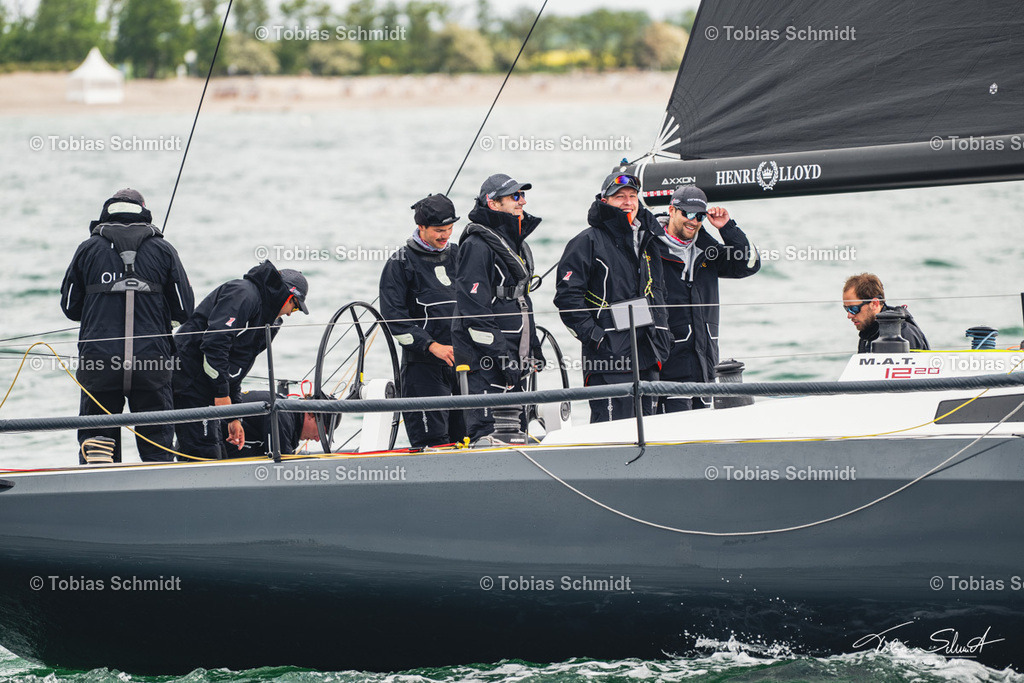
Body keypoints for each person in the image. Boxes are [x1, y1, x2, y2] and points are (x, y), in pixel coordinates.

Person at [60, 188, 194, 463]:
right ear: (143, 209)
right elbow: (185, 309)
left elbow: (70, 307)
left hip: (99, 363)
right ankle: (158, 480)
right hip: (151, 364)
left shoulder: (88, 248)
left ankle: (100, 479)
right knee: (158, 451)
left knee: (98, 452)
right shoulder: (163, 248)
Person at [554, 173, 671, 422]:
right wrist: (597, 338)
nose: (628, 202)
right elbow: (567, 299)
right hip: (607, 360)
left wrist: (662, 334)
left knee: (650, 431)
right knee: (613, 433)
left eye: (632, 196)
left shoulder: (648, 238)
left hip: (648, 354)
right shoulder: (585, 241)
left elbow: (659, 291)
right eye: (620, 197)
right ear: (604, 201)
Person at [172, 261, 309, 460]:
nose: (289, 313)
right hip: (188, 382)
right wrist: (222, 394)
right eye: (294, 308)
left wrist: (234, 415)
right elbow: (214, 344)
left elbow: (238, 366)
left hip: (209, 388)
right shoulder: (244, 293)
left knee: (217, 455)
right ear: (288, 296)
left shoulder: (269, 321)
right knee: (205, 455)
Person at [451, 173, 543, 441]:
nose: (522, 201)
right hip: (487, 363)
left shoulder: (513, 242)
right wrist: (504, 358)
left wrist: (533, 348)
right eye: (514, 196)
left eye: (522, 195)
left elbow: (520, 301)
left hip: (514, 358)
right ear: (493, 203)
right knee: (487, 435)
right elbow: (474, 313)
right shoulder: (476, 246)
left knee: (518, 432)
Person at [654, 185, 760, 412]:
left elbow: (748, 264)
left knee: (702, 431)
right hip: (667, 369)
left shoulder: (708, 251)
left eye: (700, 216)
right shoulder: (649, 248)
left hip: (705, 367)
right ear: (672, 210)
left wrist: (727, 228)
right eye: (688, 213)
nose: (694, 221)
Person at [379, 194, 465, 448]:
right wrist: (431, 346)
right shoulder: (399, 263)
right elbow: (395, 321)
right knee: (433, 443)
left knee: (469, 439)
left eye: (449, 229)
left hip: (462, 364)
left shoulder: (459, 254)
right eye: (439, 230)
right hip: (423, 368)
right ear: (421, 227)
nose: (445, 235)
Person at [843, 273, 929, 352]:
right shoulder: (867, 335)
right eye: (846, 309)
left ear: (874, 304)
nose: (849, 315)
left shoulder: (904, 334)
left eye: (854, 309)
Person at [231, 389, 322, 458]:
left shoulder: (287, 409)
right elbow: (280, 467)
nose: (318, 439)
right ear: (311, 415)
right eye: (321, 431)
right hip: (226, 442)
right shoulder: (282, 416)